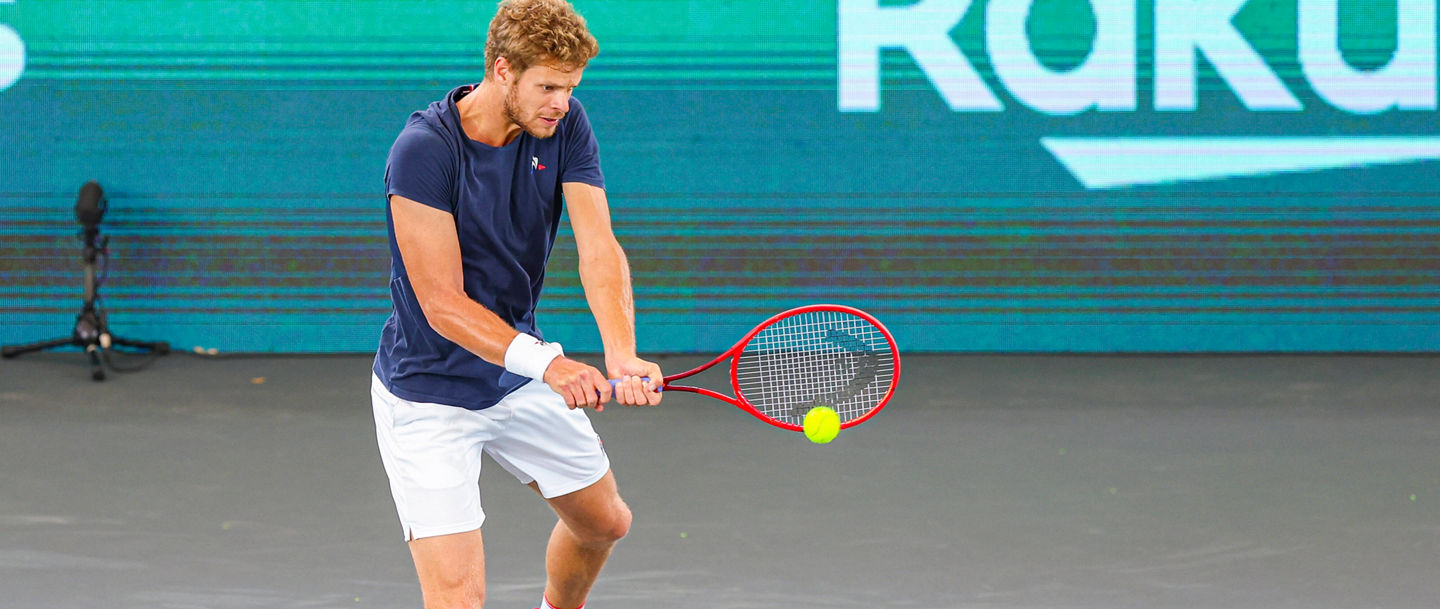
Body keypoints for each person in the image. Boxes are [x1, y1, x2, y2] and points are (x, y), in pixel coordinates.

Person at [369, 1, 663, 608]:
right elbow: (441, 304)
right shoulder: (423, 149)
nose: (561, 101)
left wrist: (622, 352)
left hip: (515, 376)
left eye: (571, 87)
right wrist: (550, 365)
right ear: (502, 70)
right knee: (458, 599)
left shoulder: (565, 125)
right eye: (548, 86)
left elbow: (598, 246)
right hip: (428, 394)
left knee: (605, 522)